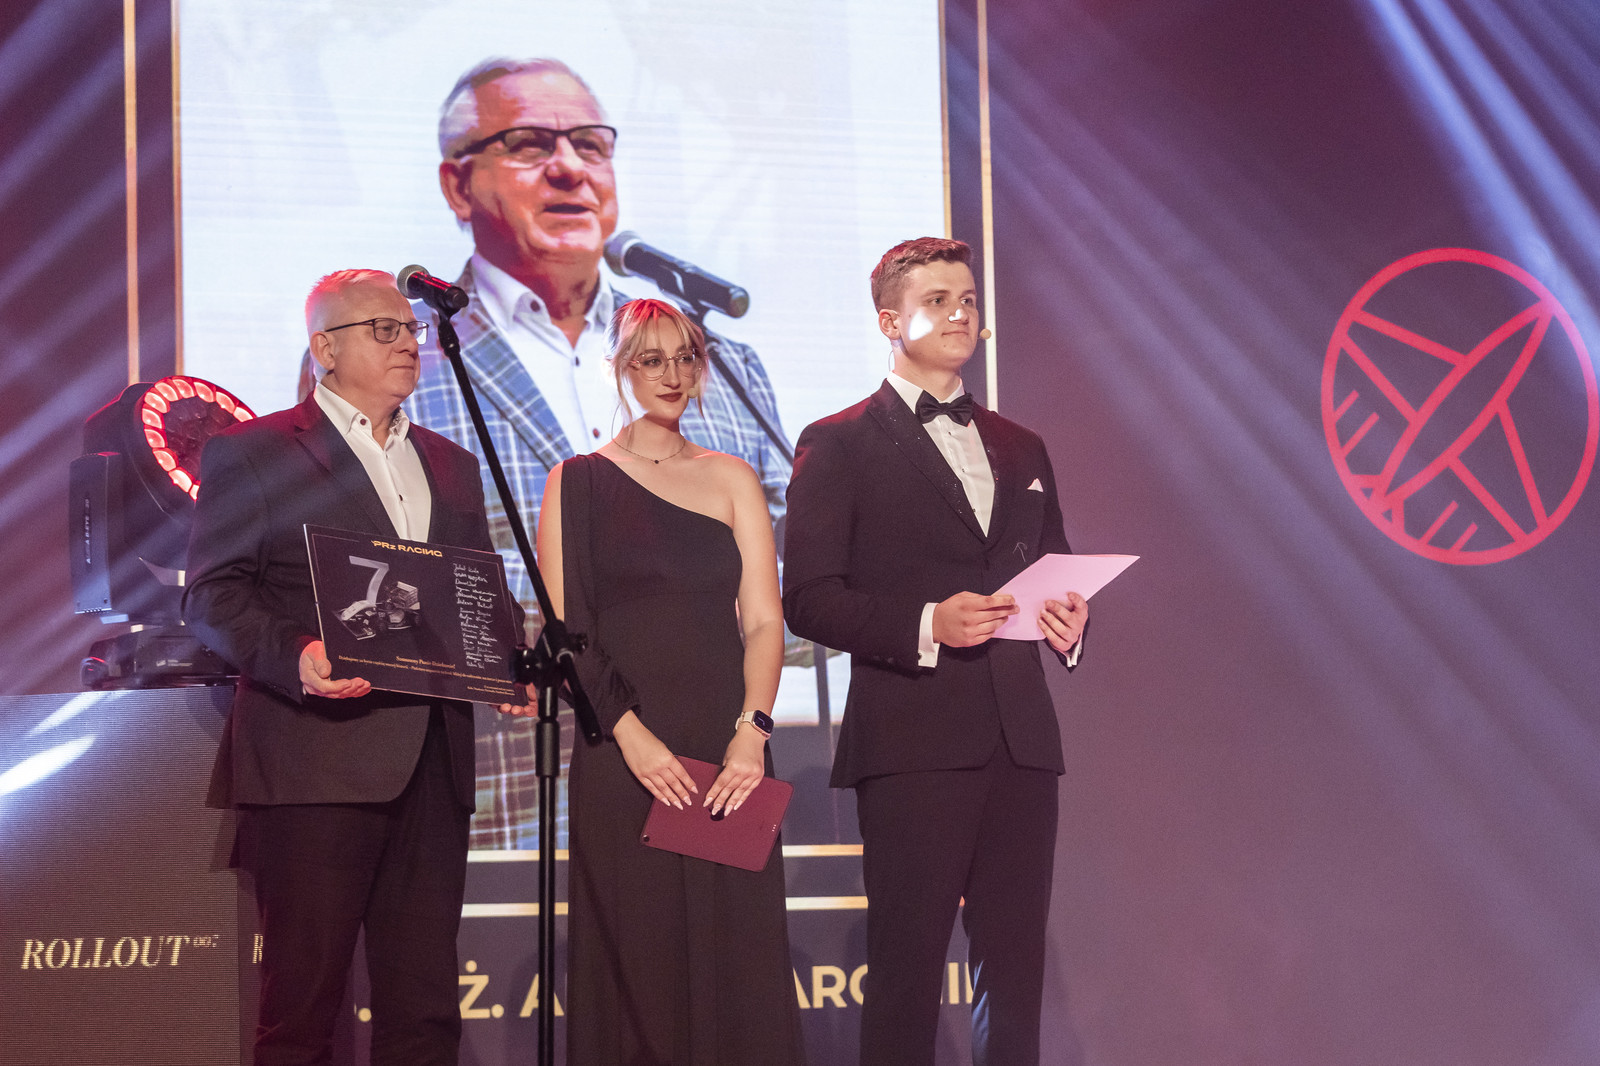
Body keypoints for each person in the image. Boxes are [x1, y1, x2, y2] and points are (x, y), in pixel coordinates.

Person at [404, 56, 793, 848]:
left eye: (590, 143)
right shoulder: (411, 365)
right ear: (456, 184)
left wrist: (748, 708)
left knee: (717, 922)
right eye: (527, 143)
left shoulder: (723, 365)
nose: (568, 168)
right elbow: (384, 567)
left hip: (713, 743)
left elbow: (792, 564)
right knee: (605, 928)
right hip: (513, 782)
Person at [184, 269, 510, 1066]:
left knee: (424, 1013)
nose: (409, 344)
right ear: (324, 349)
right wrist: (296, 654)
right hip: (315, 759)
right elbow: (212, 596)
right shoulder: (254, 452)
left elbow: (473, 591)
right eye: (384, 329)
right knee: (303, 1012)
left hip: (431, 761)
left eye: (412, 330)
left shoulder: (451, 461)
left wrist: (504, 659)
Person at [780, 238, 1090, 1066]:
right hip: (912, 741)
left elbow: (1054, 566)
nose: (961, 314)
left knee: (1014, 976)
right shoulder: (838, 442)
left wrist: (1070, 619)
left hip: (1020, 740)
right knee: (908, 972)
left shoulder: (1022, 445)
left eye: (969, 300)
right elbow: (808, 598)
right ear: (890, 321)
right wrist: (927, 624)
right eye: (939, 300)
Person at [532, 298, 804, 1064]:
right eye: (651, 359)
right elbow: (567, 634)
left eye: (686, 358)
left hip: (728, 752)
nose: (673, 375)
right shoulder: (575, 482)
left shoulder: (733, 477)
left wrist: (752, 732)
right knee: (640, 963)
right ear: (619, 369)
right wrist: (632, 738)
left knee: (740, 960)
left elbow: (763, 620)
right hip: (625, 757)